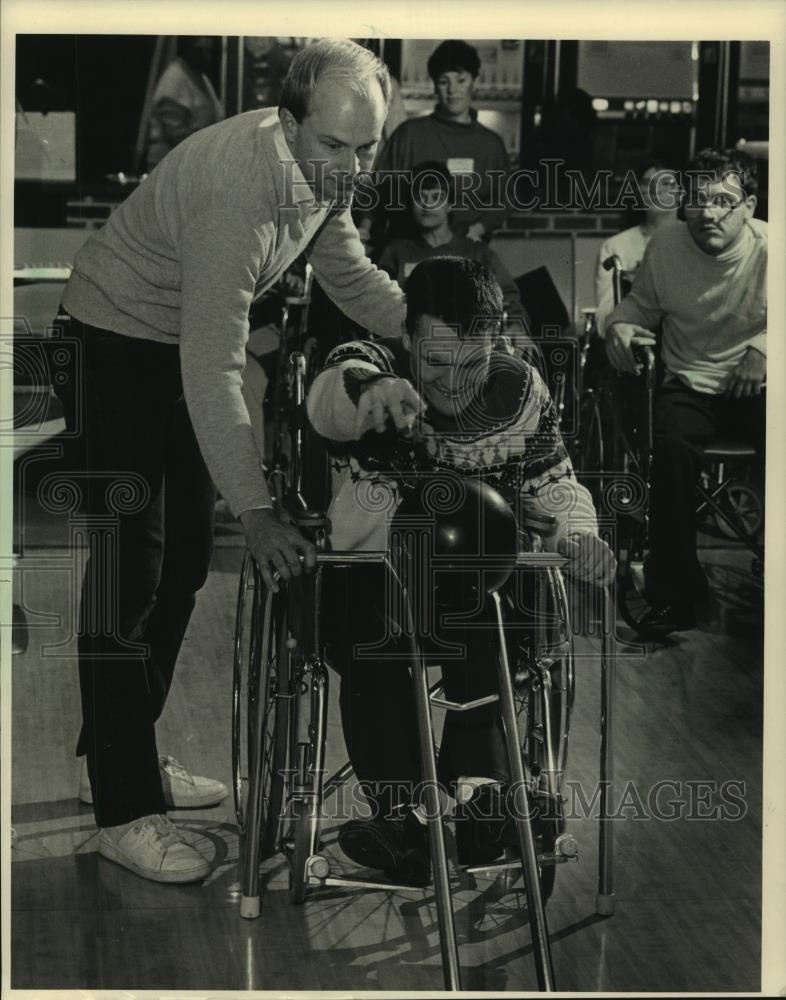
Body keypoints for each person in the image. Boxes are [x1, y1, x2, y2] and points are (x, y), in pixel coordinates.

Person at [53, 38, 407, 884]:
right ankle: (124, 809)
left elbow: (347, 273)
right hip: (111, 342)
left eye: (368, 150)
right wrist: (253, 509)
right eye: (334, 148)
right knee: (130, 572)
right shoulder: (238, 191)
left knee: (179, 571)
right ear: (289, 125)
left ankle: (122, 748)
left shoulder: (324, 175)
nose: (352, 170)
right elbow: (216, 367)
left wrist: (430, 330)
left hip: (168, 344)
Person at [306, 256, 615, 883]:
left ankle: (486, 804)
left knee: (496, 617)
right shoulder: (371, 365)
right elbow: (326, 402)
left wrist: (582, 536)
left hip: (483, 589)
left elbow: (555, 486)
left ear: (497, 341)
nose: (452, 384)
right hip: (378, 584)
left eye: (472, 363)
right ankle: (401, 823)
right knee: (378, 641)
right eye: (437, 362)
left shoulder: (520, 386)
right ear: (409, 335)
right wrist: (369, 388)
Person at [605, 148, 766, 635]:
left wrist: (764, 349)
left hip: (758, 386)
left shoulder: (772, 250)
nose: (708, 213)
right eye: (697, 200)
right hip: (691, 383)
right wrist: (619, 327)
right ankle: (673, 595)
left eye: (724, 200)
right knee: (669, 450)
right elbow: (640, 305)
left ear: (750, 206)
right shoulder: (668, 247)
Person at [360, 40, 511, 249]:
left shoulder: (490, 145)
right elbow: (379, 191)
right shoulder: (409, 134)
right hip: (409, 251)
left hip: (466, 251)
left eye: (461, 80)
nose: (453, 90)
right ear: (434, 86)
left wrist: (480, 229)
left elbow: (503, 201)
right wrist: (365, 230)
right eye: (444, 81)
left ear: (474, 82)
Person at [376, 160, 526, 325]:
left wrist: (516, 327)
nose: (427, 204)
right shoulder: (396, 252)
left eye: (436, 197)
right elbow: (376, 300)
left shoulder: (476, 253)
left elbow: (508, 296)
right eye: (420, 197)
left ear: (450, 205)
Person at [594, 159, 681, 336]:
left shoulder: (698, 239)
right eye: (647, 183)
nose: (655, 190)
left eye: (666, 183)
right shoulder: (615, 246)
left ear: (682, 192)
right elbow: (604, 318)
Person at [145, 37, 225, 170]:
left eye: (210, 51)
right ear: (189, 49)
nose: (208, 57)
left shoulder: (201, 77)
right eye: (202, 51)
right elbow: (175, 135)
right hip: (168, 167)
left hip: (191, 164)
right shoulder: (174, 79)